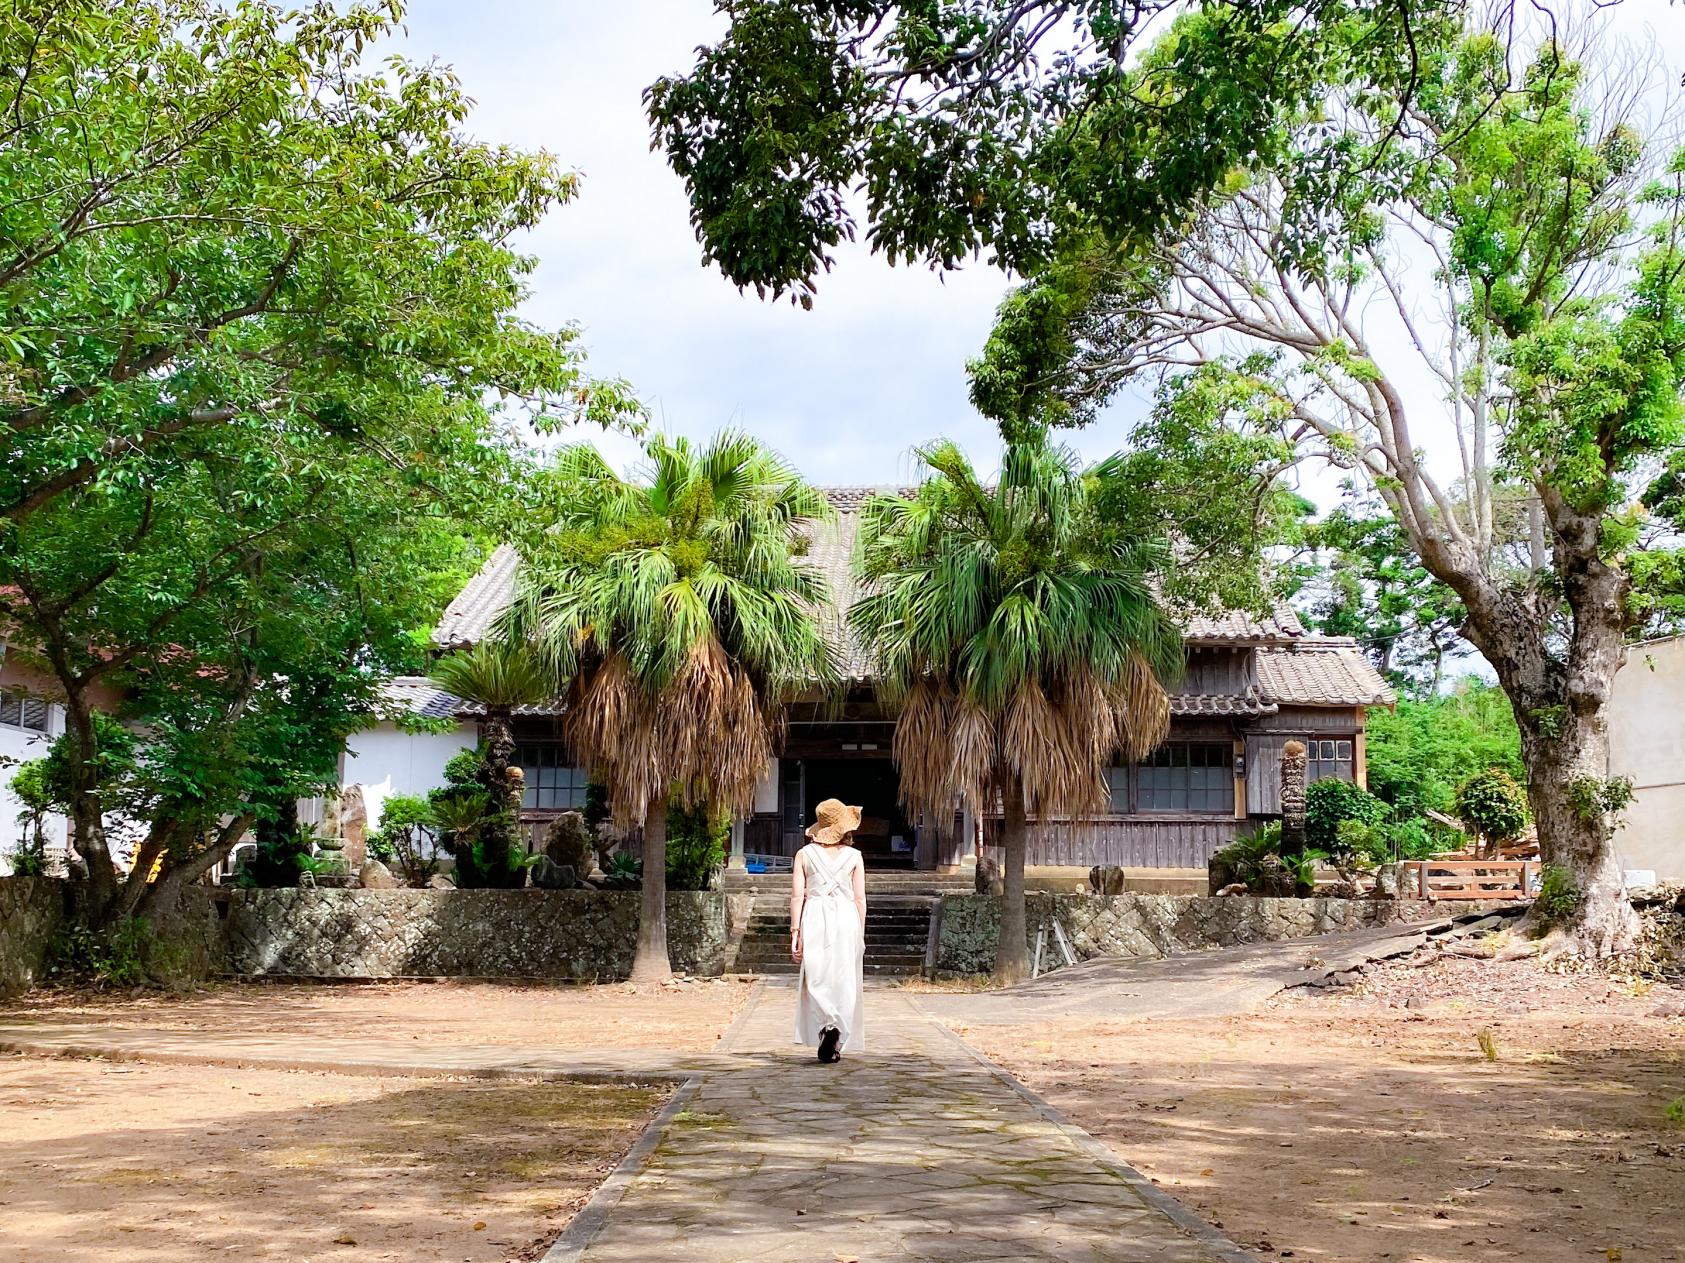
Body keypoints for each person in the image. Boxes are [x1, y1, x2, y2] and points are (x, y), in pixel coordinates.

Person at [790, 798, 866, 1062]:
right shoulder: (855, 856)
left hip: (814, 914)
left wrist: (795, 932)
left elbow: (798, 897)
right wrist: (861, 934)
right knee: (844, 977)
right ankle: (836, 1029)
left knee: (816, 974)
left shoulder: (804, 854)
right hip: (846, 916)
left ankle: (825, 1024)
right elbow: (860, 899)